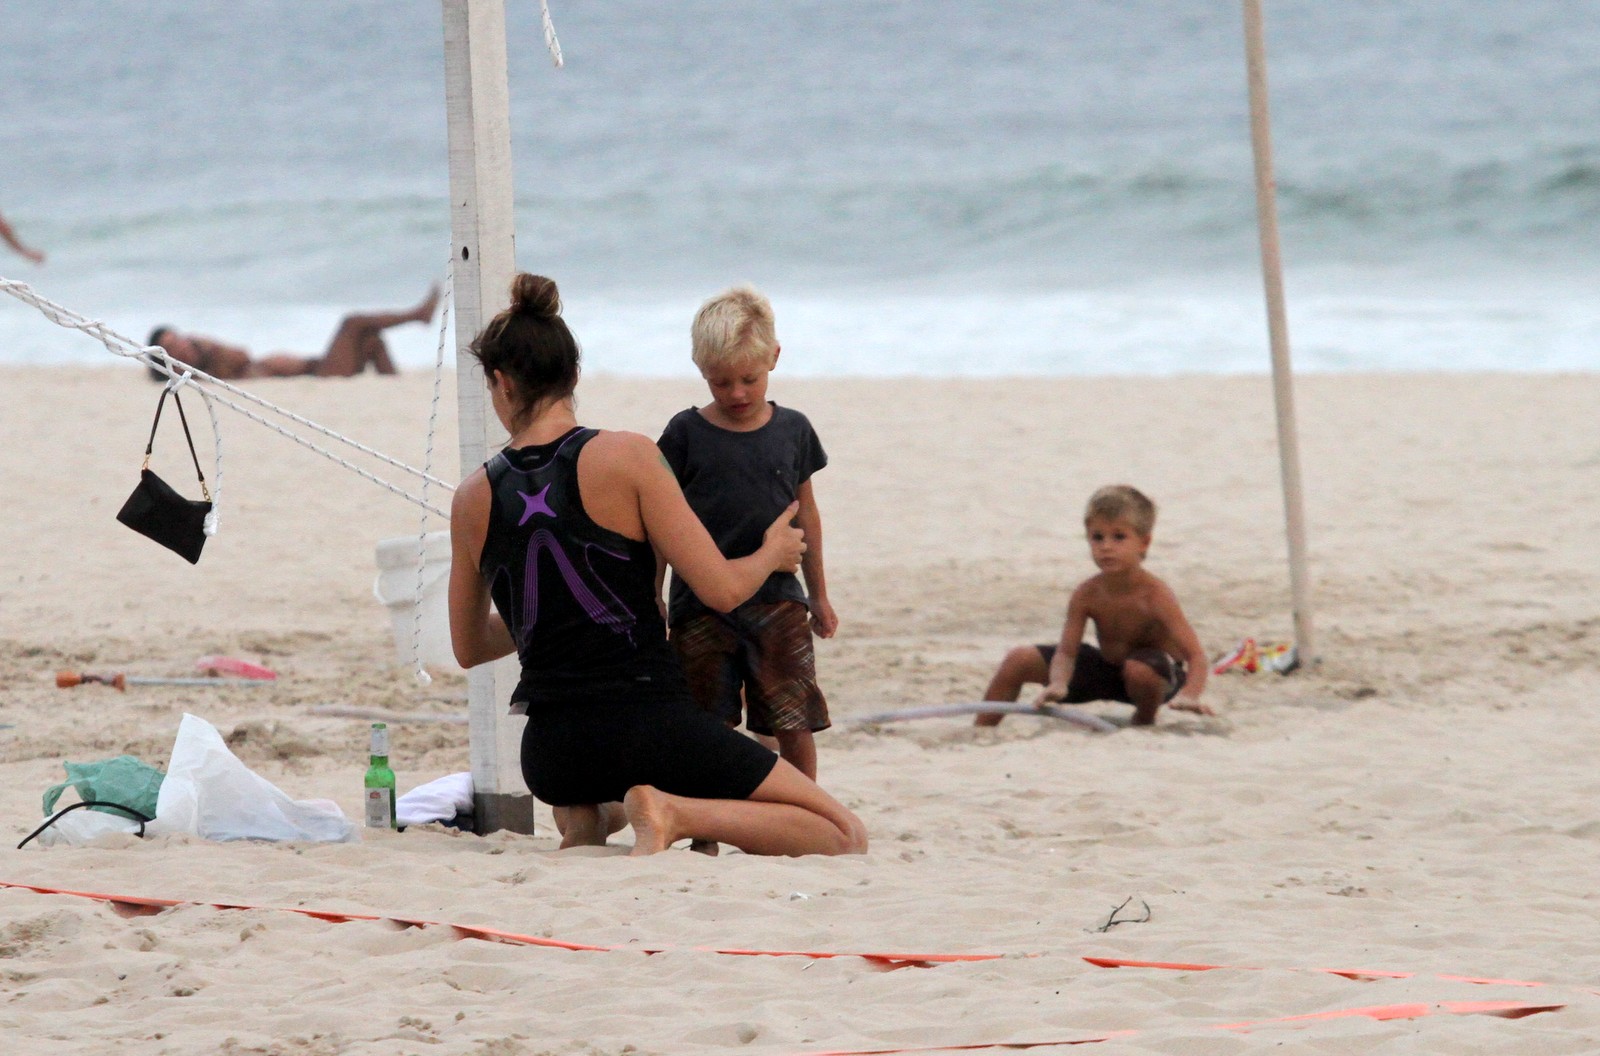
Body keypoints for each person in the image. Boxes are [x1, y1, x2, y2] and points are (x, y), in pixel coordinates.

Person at [447, 273, 867, 858]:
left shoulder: (471, 497)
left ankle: (590, 819)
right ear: (574, 374)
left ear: (500, 382)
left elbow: (468, 646)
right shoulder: (629, 456)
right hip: (650, 726)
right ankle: (673, 810)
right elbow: (721, 590)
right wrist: (770, 555)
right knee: (843, 834)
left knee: (593, 789)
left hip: (552, 755)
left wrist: (551, 615)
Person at [656, 285, 836, 799]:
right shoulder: (685, 434)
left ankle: (808, 811)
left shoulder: (794, 430)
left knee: (791, 716)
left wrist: (819, 595)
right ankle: (705, 829)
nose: (736, 393)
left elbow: (809, 516)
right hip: (700, 605)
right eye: (721, 382)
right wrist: (654, 593)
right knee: (706, 722)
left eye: (749, 379)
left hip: (779, 600)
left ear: (774, 358)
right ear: (701, 371)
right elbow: (661, 523)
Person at [975, 485, 1214, 728]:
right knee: (1019, 659)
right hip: (1108, 672)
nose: (1106, 546)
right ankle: (981, 729)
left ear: (1144, 542)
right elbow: (1067, 652)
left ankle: (1144, 719)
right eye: (1097, 537)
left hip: (1155, 681)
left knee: (1138, 670)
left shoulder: (1155, 595)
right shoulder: (1087, 593)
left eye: (1119, 537)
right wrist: (1058, 683)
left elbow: (1196, 657)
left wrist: (1190, 694)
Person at [144, 286, 438, 381]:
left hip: (317, 367)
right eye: (172, 347)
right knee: (353, 323)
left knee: (371, 340)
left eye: (178, 337)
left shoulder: (207, 357)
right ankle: (418, 316)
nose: (181, 344)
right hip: (320, 375)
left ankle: (392, 383)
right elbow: (242, 356)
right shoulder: (203, 372)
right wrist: (204, 348)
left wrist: (201, 344)